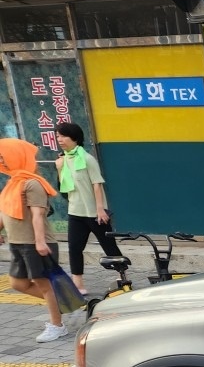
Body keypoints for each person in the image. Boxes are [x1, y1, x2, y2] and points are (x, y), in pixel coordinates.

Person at [0, 137, 65, 342]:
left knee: (42, 283)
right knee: (18, 284)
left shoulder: (32, 183)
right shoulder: (12, 183)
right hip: (18, 243)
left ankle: (57, 325)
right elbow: (5, 213)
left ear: (15, 156)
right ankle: (61, 302)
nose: (1, 161)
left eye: (3, 156)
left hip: (35, 243)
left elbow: (37, 215)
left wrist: (40, 242)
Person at [54, 120, 123, 295]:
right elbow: (64, 189)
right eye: (57, 136)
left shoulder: (87, 158)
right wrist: (59, 169)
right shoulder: (62, 161)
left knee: (109, 246)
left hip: (94, 212)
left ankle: (122, 276)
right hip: (75, 211)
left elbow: (97, 185)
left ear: (74, 138)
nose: (59, 139)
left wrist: (100, 209)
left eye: (63, 136)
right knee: (74, 247)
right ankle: (77, 284)